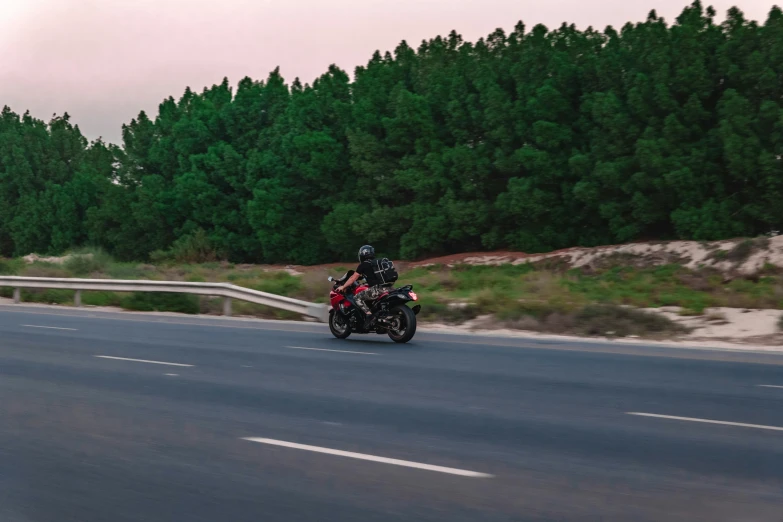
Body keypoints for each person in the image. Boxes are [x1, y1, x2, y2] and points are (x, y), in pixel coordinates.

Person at [336, 245, 387, 327]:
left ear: (362, 255)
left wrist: (343, 287)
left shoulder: (363, 265)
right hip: (388, 288)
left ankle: (369, 315)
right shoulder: (377, 264)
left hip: (376, 289)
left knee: (357, 298)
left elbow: (353, 278)